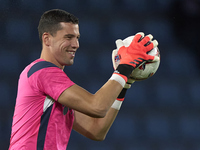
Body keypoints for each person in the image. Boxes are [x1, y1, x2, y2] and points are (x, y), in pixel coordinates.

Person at [9, 9, 158, 150]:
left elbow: (96, 130)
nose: (76, 45)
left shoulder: (50, 83)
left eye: (77, 38)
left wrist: (125, 82)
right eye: (68, 37)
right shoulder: (43, 72)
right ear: (47, 39)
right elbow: (97, 107)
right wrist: (125, 67)